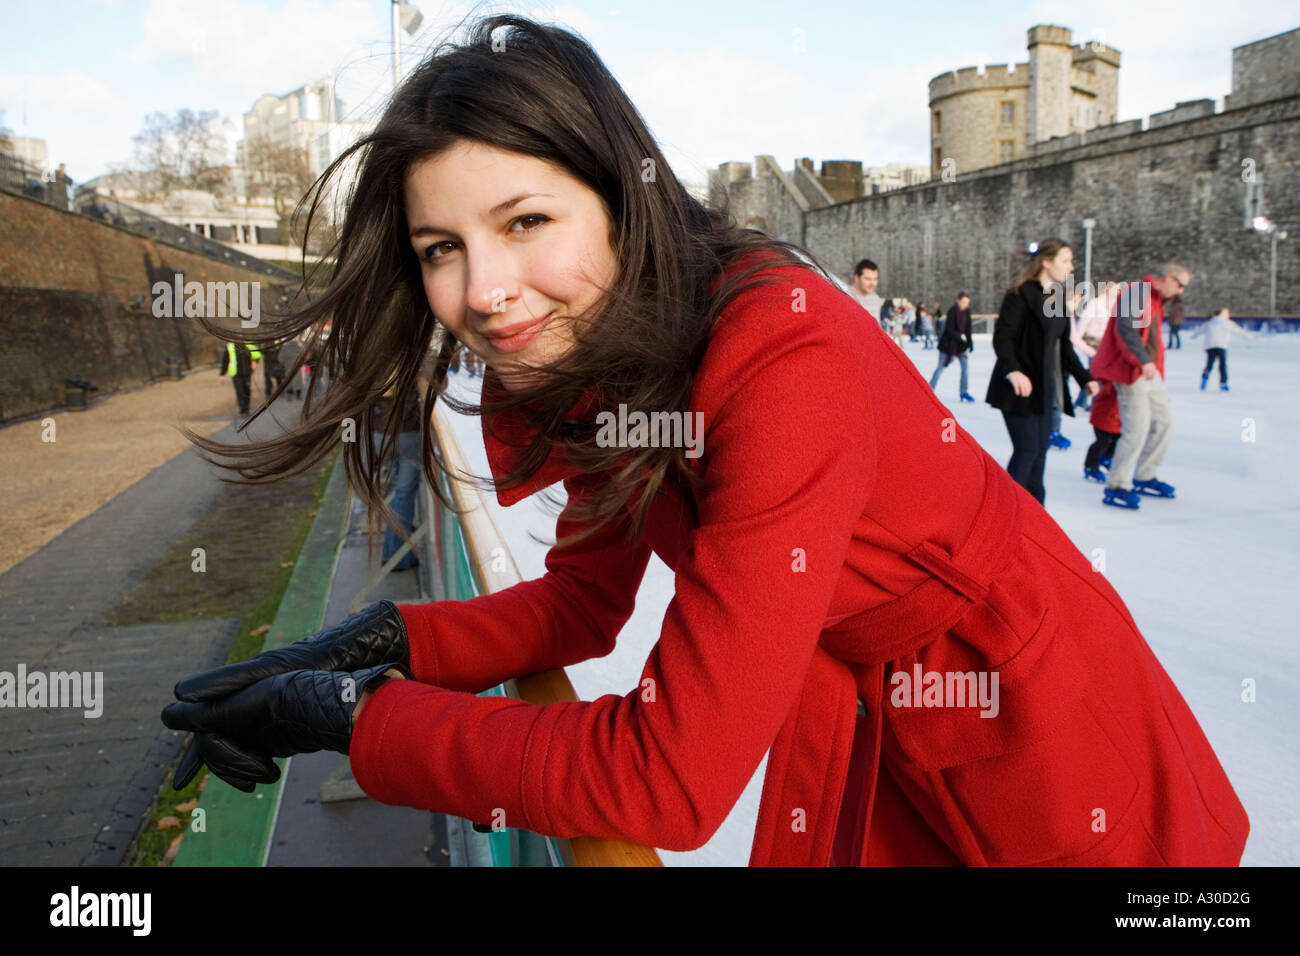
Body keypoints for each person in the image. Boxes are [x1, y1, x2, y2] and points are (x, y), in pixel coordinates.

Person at [161, 15, 1247, 867]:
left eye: (526, 221)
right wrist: (380, 642)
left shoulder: (781, 355)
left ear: (621, 199)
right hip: (888, 720)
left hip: (1025, 715)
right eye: (442, 246)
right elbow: (584, 604)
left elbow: (666, 780)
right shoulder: (611, 352)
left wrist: (360, 721)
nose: (484, 290)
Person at [984, 242, 1098, 504]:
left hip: (1045, 389)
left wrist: (1085, 378)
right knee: (1027, 451)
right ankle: (1005, 515)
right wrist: (1013, 371)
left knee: (1040, 454)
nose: (1071, 267)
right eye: (1066, 260)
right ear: (1046, 262)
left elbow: (1064, 347)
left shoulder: (1058, 299)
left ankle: (1036, 517)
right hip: (1018, 388)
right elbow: (1003, 338)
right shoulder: (1020, 294)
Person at [1089, 263, 1190, 509]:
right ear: (1167, 278)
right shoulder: (1138, 292)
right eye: (1180, 285)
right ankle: (1116, 485)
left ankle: (1145, 475)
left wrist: (1153, 367)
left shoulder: (1155, 297)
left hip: (1149, 372)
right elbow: (1126, 330)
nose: (1181, 291)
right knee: (1136, 429)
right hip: (1130, 370)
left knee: (1163, 423)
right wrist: (1142, 361)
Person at [1071, 283, 1120, 411]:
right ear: (1107, 290)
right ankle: (1093, 403)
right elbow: (1082, 327)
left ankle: (1084, 401)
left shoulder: (1117, 304)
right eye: (1115, 288)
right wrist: (1087, 347)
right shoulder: (1095, 303)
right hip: (1094, 344)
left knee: (1098, 375)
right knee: (1096, 375)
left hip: (1108, 344)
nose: (1118, 291)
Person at [1191, 307, 1257, 391]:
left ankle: (1205, 377)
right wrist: (1250, 337)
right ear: (1223, 314)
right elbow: (1239, 331)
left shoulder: (1210, 322)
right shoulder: (1227, 323)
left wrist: (1193, 336)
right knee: (1222, 365)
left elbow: (1199, 331)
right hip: (1221, 346)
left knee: (1209, 364)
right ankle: (1223, 383)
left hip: (1210, 346)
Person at [929, 292, 975, 401]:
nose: (965, 305)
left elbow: (968, 329)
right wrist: (960, 339)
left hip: (960, 346)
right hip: (947, 345)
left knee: (965, 368)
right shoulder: (952, 311)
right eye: (963, 302)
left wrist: (970, 342)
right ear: (958, 300)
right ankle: (929, 389)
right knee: (940, 367)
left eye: (967, 303)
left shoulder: (967, 312)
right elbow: (949, 330)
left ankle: (963, 392)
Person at [1083, 380, 1121, 483]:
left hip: (1117, 418)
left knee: (1117, 439)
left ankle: (1106, 458)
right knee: (1103, 441)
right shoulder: (1108, 382)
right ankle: (1090, 466)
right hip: (1103, 417)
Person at [218, 341, 256, 418]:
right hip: (236, 374)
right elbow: (225, 361)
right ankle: (243, 410)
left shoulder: (248, 345)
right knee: (240, 392)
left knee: (247, 391)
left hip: (247, 373)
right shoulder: (230, 347)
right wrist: (222, 374)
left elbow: (256, 354)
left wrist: (255, 361)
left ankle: (247, 408)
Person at [848, 259, 884, 324]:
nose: (872, 283)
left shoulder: (875, 298)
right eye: (868, 279)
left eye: (875, 279)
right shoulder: (846, 296)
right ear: (857, 278)